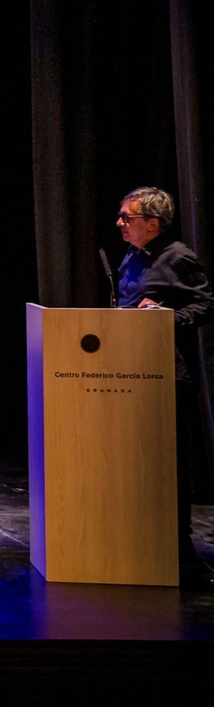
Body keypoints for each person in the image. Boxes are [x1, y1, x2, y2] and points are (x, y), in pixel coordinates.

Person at [113, 186, 212, 581]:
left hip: (168, 375)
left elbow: (205, 304)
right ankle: (139, 537)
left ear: (153, 224)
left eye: (128, 217)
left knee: (169, 463)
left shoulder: (179, 257)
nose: (120, 223)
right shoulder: (131, 257)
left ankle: (180, 545)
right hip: (127, 371)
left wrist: (166, 317)